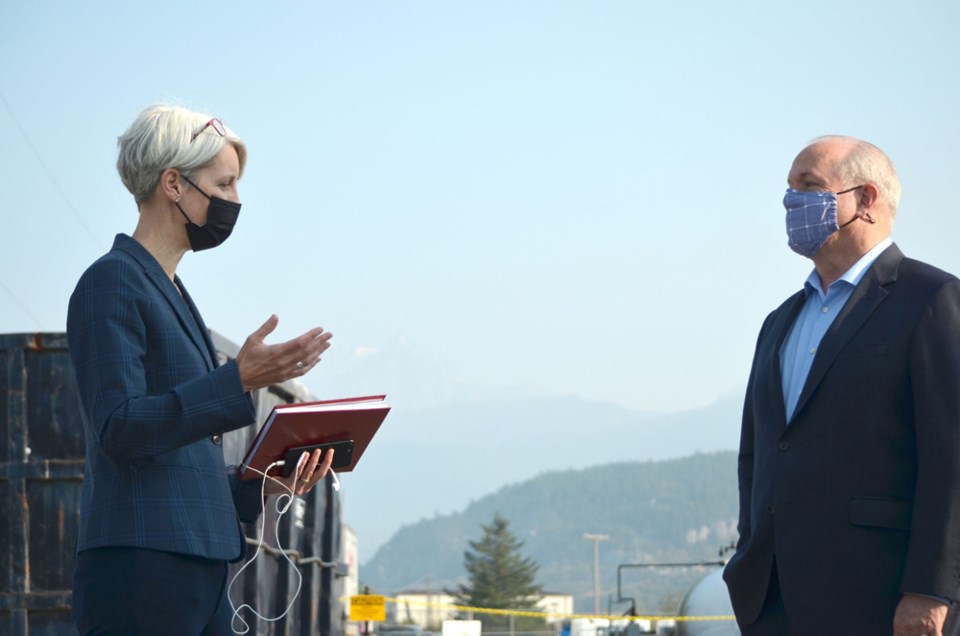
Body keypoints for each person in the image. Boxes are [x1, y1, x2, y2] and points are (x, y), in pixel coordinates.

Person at [67, 104, 335, 635]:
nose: (235, 200)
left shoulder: (172, 292)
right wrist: (235, 381)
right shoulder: (112, 282)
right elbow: (120, 427)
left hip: (198, 570)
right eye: (225, 183)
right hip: (141, 570)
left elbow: (177, 462)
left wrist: (262, 482)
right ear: (173, 184)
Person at [723, 136, 960, 636]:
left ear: (867, 199)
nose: (792, 202)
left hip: (878, 596)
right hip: (773, 600)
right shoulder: (779, 322)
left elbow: (952, 457)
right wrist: (748, 558)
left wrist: (931, 589)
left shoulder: (931, 300)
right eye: (788, 189)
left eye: (808, 186)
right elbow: (759, 455)